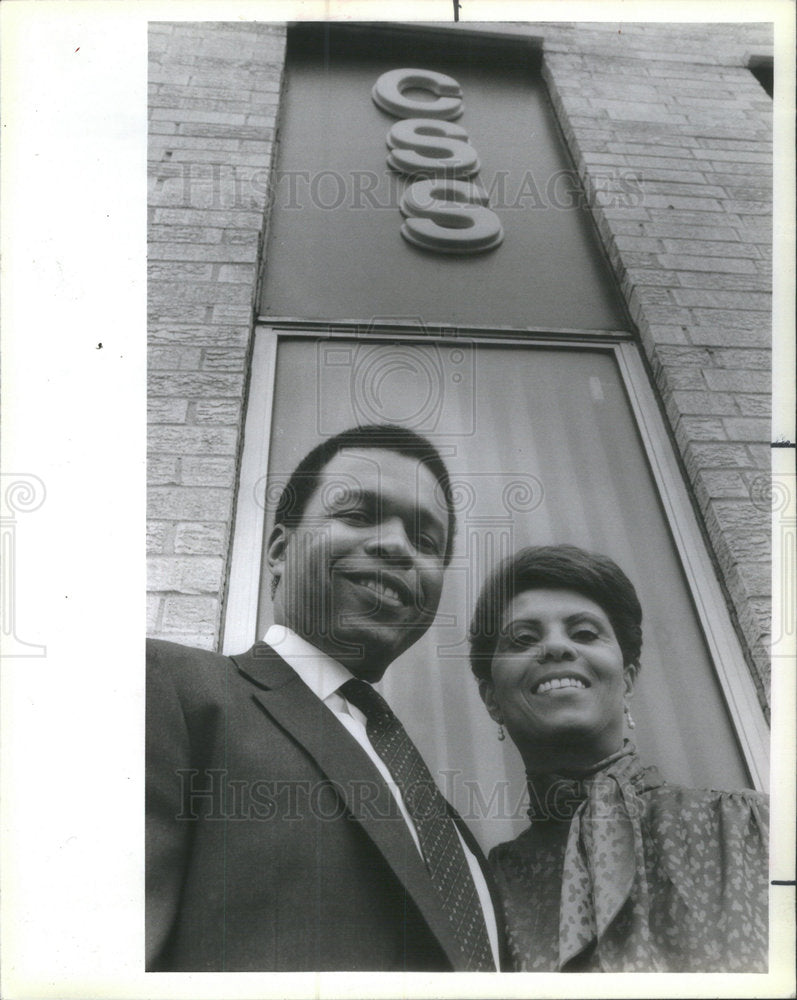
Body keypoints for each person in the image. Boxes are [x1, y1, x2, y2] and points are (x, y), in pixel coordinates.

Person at [146, 424, 504, 972]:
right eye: (358, 515)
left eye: (426, 542)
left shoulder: (445, 824)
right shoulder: (170, 688)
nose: (398, 547)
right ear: (279, 550)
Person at [469, 544, 769, 973]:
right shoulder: (488, 888)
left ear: (627, 680)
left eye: (585, 633)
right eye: (523, 639)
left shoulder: (749, 828)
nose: (555, 647)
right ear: (492, 700)